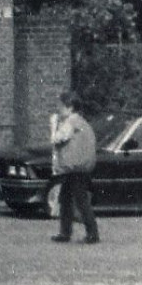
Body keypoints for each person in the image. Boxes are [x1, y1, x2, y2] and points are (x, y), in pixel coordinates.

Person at [50, 88, 99, 245]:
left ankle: (91, 234)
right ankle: (66, 232)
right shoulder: (81, 121)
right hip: (81, 167)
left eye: (61, 106)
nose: (59, 109)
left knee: (80, 200)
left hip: (74, 168)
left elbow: (57, 139)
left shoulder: (71, 122)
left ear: (70, 107)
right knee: (66, 198)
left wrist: (53, 125)